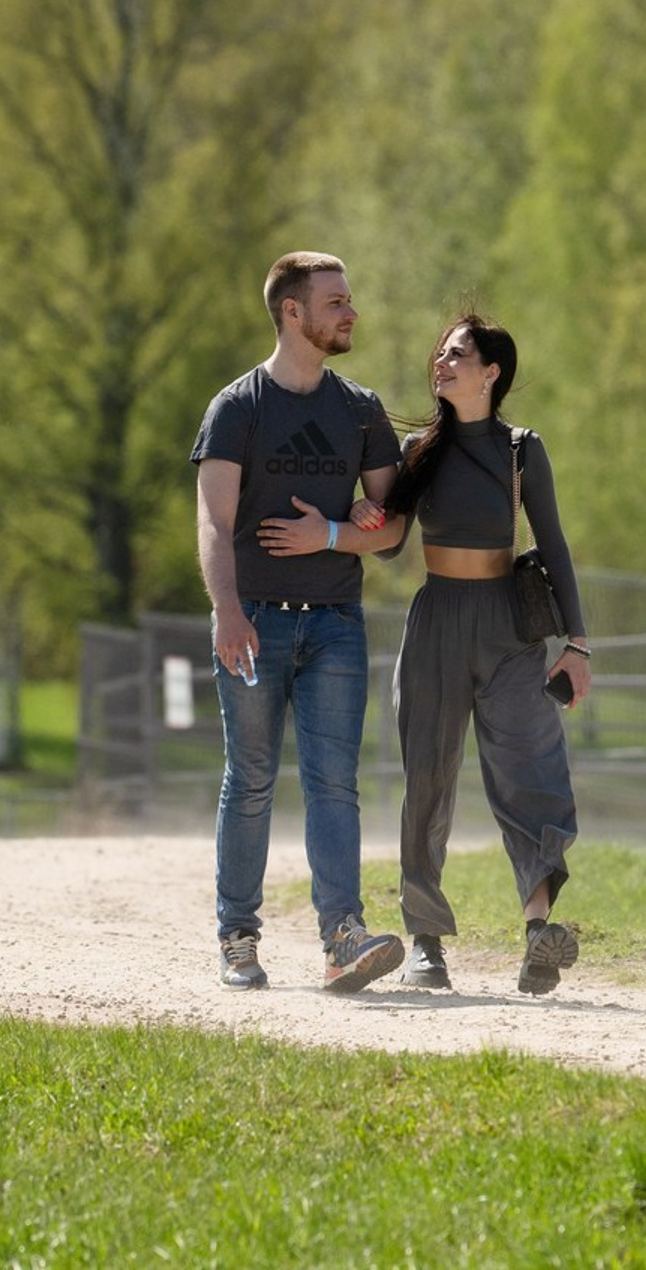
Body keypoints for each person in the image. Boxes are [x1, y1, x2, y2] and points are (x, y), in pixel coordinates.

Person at [191, 250, 407, 993]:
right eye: (336, 301)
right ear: (294, 311)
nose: (351, 312)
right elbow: (215, 523)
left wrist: (336, 534)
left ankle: (342, 937)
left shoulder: (360, 410)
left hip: (337, 624)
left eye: (349, 299)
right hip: (252, 621)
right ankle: (238, 938)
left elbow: (393, 526)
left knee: (333, 783)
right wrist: (225, 612)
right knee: (250, 780)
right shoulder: (238, 408)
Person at [368, 312, 592, 995]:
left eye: (457, 353)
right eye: (440, 353)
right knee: (427, 779)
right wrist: (340, 523)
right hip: (436, 618)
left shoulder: (524, 450)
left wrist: (577, 643)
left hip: (509, 629)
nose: (442, 362)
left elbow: (553, 545)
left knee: (532, 771)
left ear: (491, 372)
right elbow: (387, 540)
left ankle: (537, 936)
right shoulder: (417, 450)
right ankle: (426, 945)